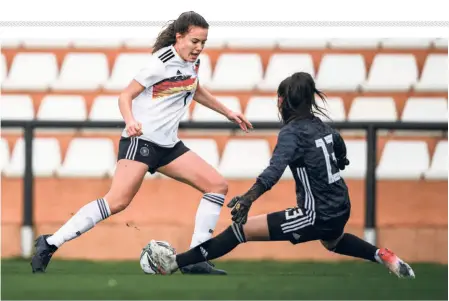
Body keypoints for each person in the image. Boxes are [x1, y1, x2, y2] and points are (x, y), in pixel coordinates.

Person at [30, 11, 253, 275]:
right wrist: (130, 120)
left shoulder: (193, 62)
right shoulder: (160, 63)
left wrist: (227, 112)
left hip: (168, 146)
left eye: (203, 42)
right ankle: (50, 243)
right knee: (117, 202)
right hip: (142, 141)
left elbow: (194, 88)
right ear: (179, 37)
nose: (199, 47)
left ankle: (195, 259)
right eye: (194, 41)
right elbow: (125, 96)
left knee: (217, 185)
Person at [146, 72, 416, 279]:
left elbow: (272, 173)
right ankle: (382, 255)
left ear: (281, 101)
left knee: (240, 231)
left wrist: (248, 199)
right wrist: (341, 158)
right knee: (332, 240)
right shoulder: (321, 126)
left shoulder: (292, 133)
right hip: (340, 208)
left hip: (316, 214)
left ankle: (176, 263)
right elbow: (338, 142)